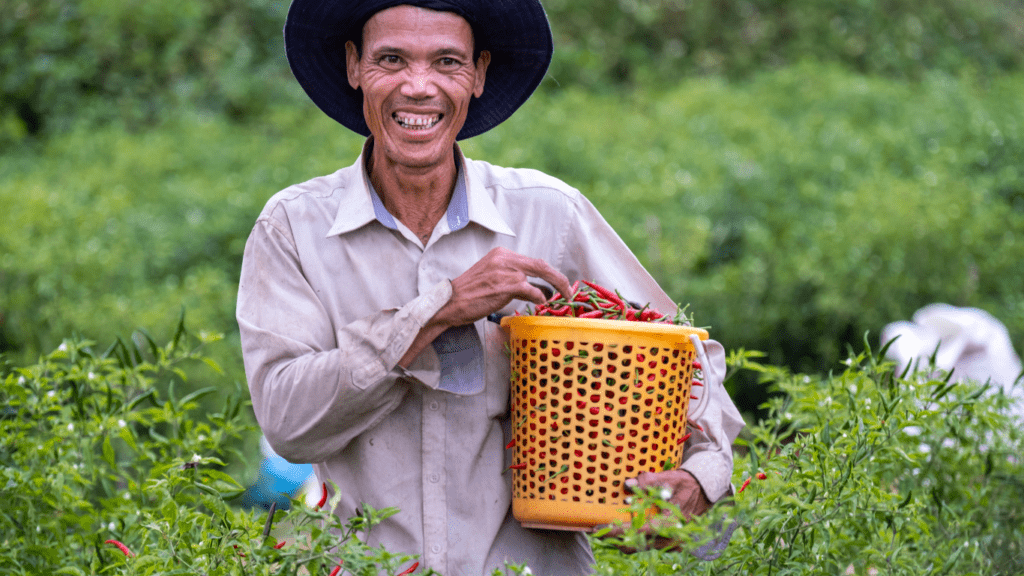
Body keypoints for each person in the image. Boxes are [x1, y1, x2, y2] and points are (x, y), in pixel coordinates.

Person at [236, 1, 745, 574]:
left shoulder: (548, 215)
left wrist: (699, 478)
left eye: (447, 61)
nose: (418, 86)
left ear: (478, 74)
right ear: (355, 66)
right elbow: (287, 422)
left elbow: (688, 359)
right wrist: (438, 311)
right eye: (392, 59)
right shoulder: (294, 228)